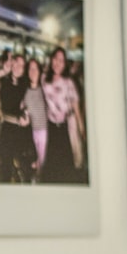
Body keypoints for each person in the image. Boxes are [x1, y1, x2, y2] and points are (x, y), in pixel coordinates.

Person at [42, 47, 86, 184]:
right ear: (51, 60)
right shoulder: (44, 79)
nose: (58, 63)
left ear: (65, 63)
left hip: (66, 127)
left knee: (67, 163)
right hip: (51, 126)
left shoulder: (69, 83)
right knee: (52, 164)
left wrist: (82, 130)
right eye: (56, 59)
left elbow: (77, 110)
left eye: (61, 60)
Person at [0, 53, 31, 183]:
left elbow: (29, 103)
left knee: (23, 168)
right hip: (7, 129)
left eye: (22, 66)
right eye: (16, 63)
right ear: (11, 64)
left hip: (22, 131)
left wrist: (27, 115)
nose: (18, 67)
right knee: (6, 168)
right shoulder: (4, 82)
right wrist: (3, 71)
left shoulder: (25, 84)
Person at [22, 58, 48, 181]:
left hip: (45, 131)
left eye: (35, 68)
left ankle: (39, 182)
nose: (32, 71)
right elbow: (23, 107)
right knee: (36, 161)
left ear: (39, 70)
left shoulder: (45, 88)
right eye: (30, 69)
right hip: (32, 132)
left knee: (43, 162)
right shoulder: (25, 91)